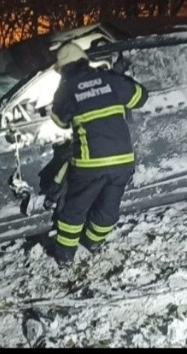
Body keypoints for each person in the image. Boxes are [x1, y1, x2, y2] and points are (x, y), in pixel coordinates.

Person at [44, 42, 148, 267]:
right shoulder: (110, 79)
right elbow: (141, 97)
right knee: (108, 208)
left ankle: (64, 255)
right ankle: (92, 242)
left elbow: (58, 121)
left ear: (63, 69)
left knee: (74, 210)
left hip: (90, 163)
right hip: (122, 161)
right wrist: (119, 75)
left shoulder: (66, 89)